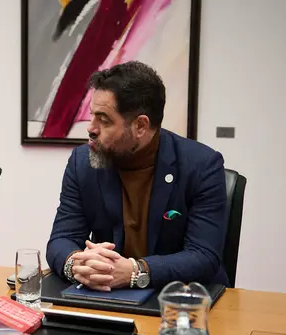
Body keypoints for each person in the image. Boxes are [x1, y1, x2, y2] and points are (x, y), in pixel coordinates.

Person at [47, 61, 228, 291]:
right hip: (104, 296)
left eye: (104, 120)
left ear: (141, 125)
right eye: (92, 116)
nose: (91, 128)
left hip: (181, 300)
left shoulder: (202, 166)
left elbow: (203, 256)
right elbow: (61, 239)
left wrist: (136, 271)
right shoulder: (82, 163)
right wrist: (76, 264)